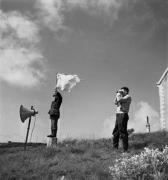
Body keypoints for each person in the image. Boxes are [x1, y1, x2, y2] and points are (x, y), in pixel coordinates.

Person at [113, 87, 132, 152]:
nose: (121, 92)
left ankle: (125, 149)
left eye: (123, 91)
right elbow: (115, 102)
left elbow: (120, 100)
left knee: (123, 131)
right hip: (118, 114)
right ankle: (115, 148)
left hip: (123, 114)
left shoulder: (128, 97)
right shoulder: (120, 96)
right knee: (116, 131)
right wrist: (117, 94)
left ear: (126, 91)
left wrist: (119, 94)